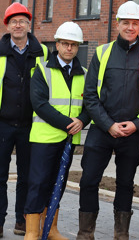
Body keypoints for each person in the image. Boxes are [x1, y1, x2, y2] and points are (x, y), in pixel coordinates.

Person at [77, 1, 139, 240]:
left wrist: (137, 125)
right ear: (118, 23)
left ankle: (121, 234)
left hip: (133, 132)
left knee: (125, 183)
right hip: (102, 130)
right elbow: (90, 96)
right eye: (126, 22)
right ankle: (85, 233)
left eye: (135, 23)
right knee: (89, 180)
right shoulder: (102, 53)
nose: (130, 27)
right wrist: (108, 124)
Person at [0, 2, 48, 240]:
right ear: (7, 25)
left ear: (29, 25)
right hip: (1, 126)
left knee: (27, 176)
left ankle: (22, 219)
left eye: (22, 21)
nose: (18, 25)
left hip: (31, 125)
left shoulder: (42, 52)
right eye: (13, 21)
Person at [23, 22, 90, 240]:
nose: (69, 48)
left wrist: (82, 120)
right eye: (65, 44)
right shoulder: (42, 69)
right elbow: (39, 104)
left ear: (78, 47)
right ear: (57, 44)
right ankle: (32, 231)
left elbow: (91, 104)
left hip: (68, 140)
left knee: (57, 183)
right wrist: (69, 123)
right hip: (45, 138)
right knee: (38, 182)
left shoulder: (85, 73)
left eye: (73, 45)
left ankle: (50, 228)